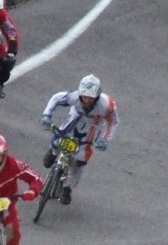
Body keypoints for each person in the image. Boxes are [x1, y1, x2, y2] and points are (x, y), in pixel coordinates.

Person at [40, 74, 119, 205]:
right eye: (84, 97)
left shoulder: (107, 105)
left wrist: (105, 139)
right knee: (60, 135)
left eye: (90, 98)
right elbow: (56, 98)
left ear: (97, 96)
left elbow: (113, 122)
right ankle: (53, 151)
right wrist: (47, 115)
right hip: (75, 118)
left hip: (93, 125)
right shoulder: (75, 97)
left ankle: (67, 188)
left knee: (81, 159)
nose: (87, 100)